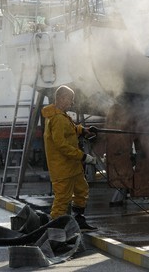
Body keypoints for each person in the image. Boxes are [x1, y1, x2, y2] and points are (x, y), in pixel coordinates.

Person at [41, 85, 97, 231]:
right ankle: (55, 231)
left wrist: (82, 130)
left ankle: (78, 220)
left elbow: (69, 128)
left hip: (71, 166)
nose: (71, 103)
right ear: (61, 98)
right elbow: (62, 145)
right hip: (62, 168)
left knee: (81, 190)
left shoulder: (61, 115)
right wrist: (84, 157)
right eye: (70, 100)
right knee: (62, 199)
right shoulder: (57, 118)